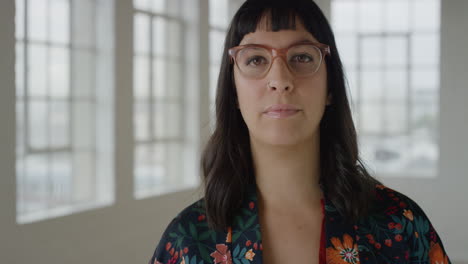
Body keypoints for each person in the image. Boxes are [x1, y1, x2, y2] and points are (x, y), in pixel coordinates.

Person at [148, 0, 451, 263]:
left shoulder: (400, 223)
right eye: (256, 59)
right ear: (234, 93)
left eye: (302, 57)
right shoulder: (187, 240)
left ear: (330, 86)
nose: (280, 79)